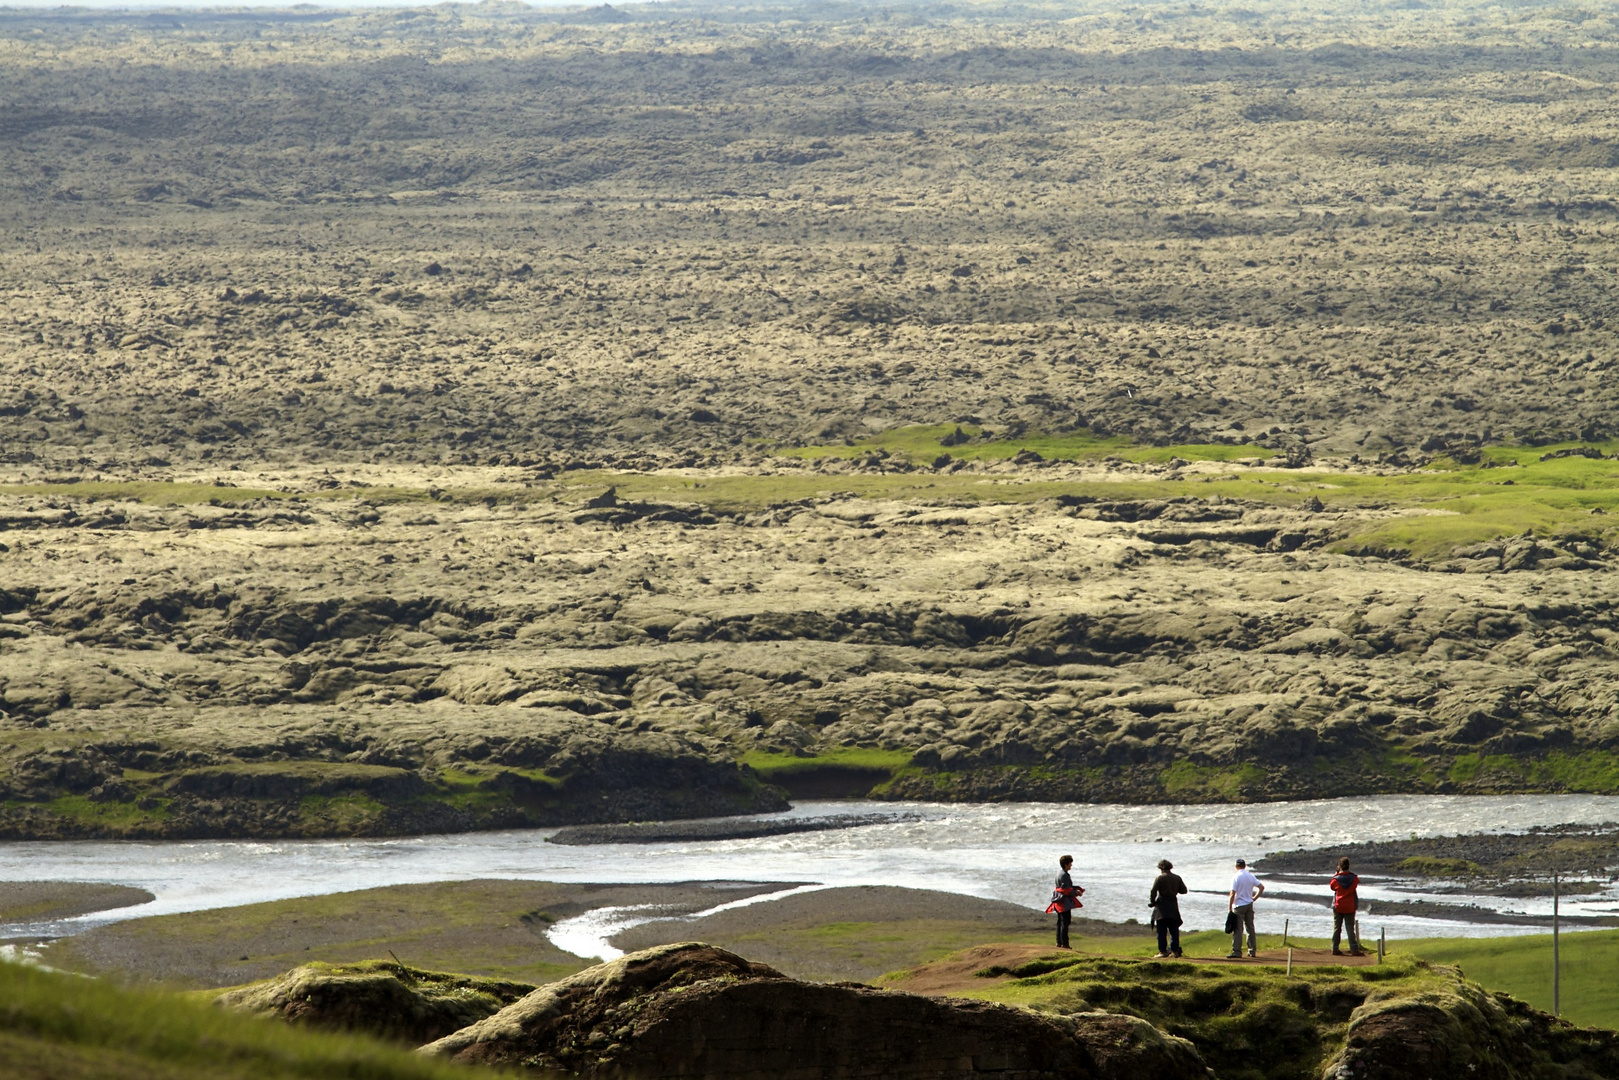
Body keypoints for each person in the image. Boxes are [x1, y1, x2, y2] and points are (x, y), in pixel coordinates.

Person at [1148, 859, 1187, 958]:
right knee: (1174, 930)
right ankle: (1174, 951)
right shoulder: (1177, 878)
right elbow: (1184, 890)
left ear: (1161, 868)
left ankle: (1162, 951)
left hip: (1162, 906)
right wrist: (1174, 890)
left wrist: (1152, 902)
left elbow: (1153, 891)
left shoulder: (1160, 878)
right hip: (1173, 905)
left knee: (1161, 931)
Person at [1227, 857, 1264, 958]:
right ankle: (1252, 951)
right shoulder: (1250, 876)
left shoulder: (1236, 877)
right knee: (1250, 928)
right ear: (1245, 865)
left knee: (1238, 929)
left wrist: (1229, 908)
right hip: (1249, 904)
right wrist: (1254, 898)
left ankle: (1237, 952)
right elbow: (1261, 887)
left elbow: (1232, 893)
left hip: (1239, 905)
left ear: (1236, 866)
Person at [1045, 855, 1084, 949]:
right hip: (1064, 902)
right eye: (1070, 863)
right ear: (1066, 864)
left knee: (1060, 922)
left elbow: (1062, 888)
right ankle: (1065, 944)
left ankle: (1059, 942)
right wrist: (1076, 892)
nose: (1071, 865)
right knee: (1065, 922)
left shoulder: (1059, 873)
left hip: (1058, 900)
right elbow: (1066, 890)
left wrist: (1076, 888)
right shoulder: (1065, 875)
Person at [1330, 857, 1365, 956]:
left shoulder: (1335, 879)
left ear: (1340, 866)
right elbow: (1356, 883)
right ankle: (1354, 949)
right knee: (1350, 928)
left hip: (1338, 905)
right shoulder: (1354, 878)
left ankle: (1334, 948)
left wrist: (1337, 873)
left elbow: (1332, 887)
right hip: (1350, 905)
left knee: (1337, 928)